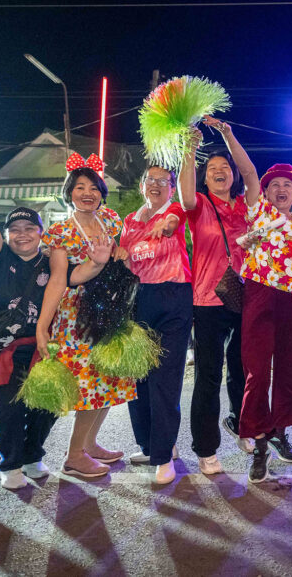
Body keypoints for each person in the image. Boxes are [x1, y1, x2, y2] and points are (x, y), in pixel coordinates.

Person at [37, 154, 135, 479]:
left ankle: (90, 444)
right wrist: (42, 326)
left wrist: (119, 253)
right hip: (78, 317)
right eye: (79, 187)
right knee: (90, 384)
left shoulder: (109, 220)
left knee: (108, 378)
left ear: (102, 193)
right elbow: (60, 280)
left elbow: (116, 255)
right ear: (69, 192)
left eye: (93, 187)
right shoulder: (61, 231)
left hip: (110, 309)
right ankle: (75, 455)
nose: (87, 193)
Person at [0, 163, 59, 491]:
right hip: (1, 350)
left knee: (47, 406)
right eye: (15, 229)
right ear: (7, 235)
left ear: (41, 231)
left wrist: (105, 257)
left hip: (40, 348)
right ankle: (10, 463)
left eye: (29, 228)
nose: (22, 234)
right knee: (9, 408)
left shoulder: (51, 261)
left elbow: (78, 276)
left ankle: (33, 455)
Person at [179, 119, 254, 475]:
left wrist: (227, 134)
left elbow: (251, 173)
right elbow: (184, 194)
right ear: (205, 178)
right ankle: (206, 449)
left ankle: (241, 423)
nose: (220, 171)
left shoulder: (245, 205)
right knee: (208, 376)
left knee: (243, 369)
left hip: (244, 297)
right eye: (212, 169)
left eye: (225, 167)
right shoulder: (199, 206)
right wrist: (189, 148)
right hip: (207, 300)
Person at [238, 152, 292, 484]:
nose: (282, 189)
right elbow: (248, 171)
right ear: (265, 192)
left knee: (290, 368)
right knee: (257, 372)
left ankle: (279, 433)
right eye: (275, 185)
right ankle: (259, 444)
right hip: (260, 294)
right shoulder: (260, 213)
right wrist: (227, 133)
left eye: (288, 185)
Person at [122, 165, 193, 484]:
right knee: (139, 376)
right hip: (139, 299)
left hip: (173, 296)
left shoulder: (175, 210)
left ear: (171, 188)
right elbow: (126, 260)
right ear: (141, 185)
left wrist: (166, 225)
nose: (155, 185)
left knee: (165, 377)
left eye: (162, 181)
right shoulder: (130, 221)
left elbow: (174, 221)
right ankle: (150, 446)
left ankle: (164, 457)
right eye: (149, 179)